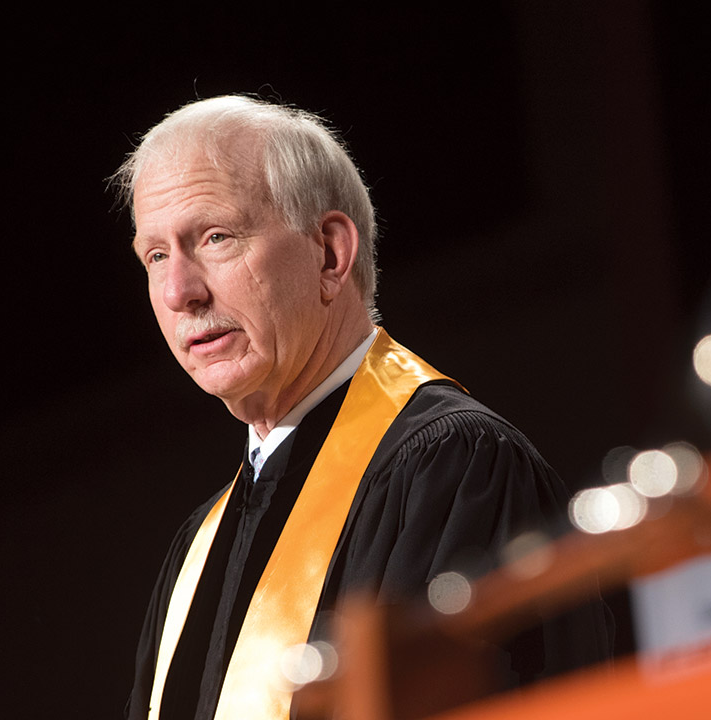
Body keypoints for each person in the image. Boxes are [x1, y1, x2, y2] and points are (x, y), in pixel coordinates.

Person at [113, 94, 610, 720]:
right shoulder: (198, 550)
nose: (180, 291)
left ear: (329, 253)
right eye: (156, 255)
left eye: (216, 237)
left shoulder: (454, 468)